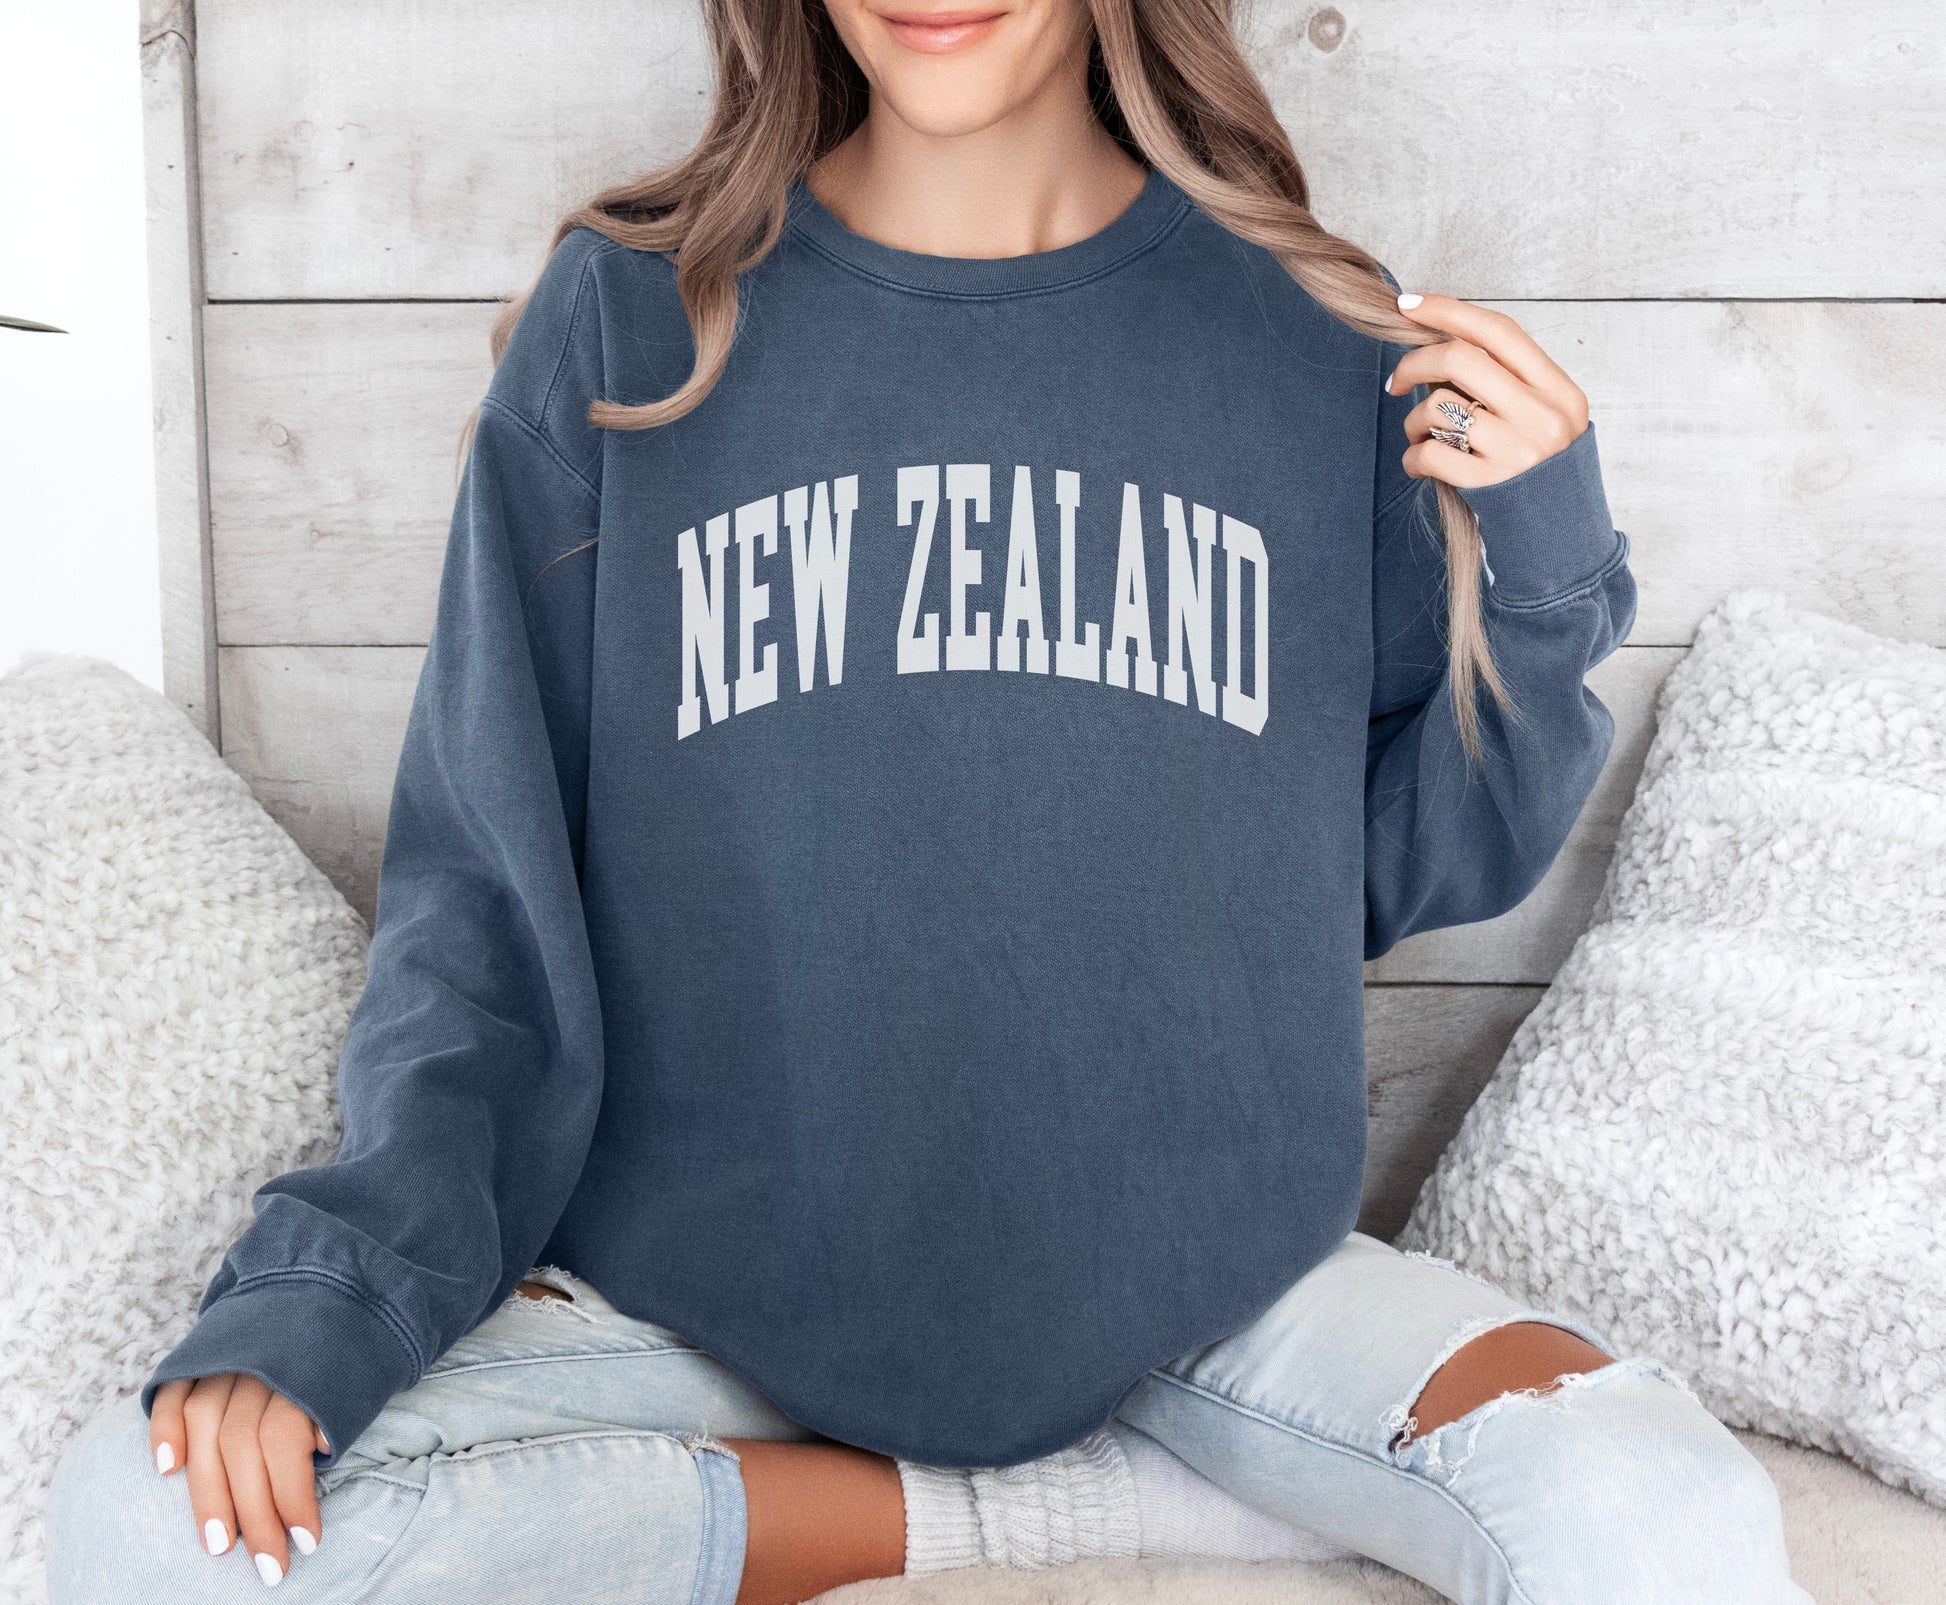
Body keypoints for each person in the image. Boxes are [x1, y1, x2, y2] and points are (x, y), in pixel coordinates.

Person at [46, 0, 1811, 1599]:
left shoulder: (1308, 334)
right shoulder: (628, 313)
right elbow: (483, 909)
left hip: (1211, 1293)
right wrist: (326, 1291)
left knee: (1661, 1517)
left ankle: (1080, 1460)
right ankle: (1007, 1507)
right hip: (699, 1292)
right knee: (148, 1530)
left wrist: (1542, 569)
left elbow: (1388, 865)